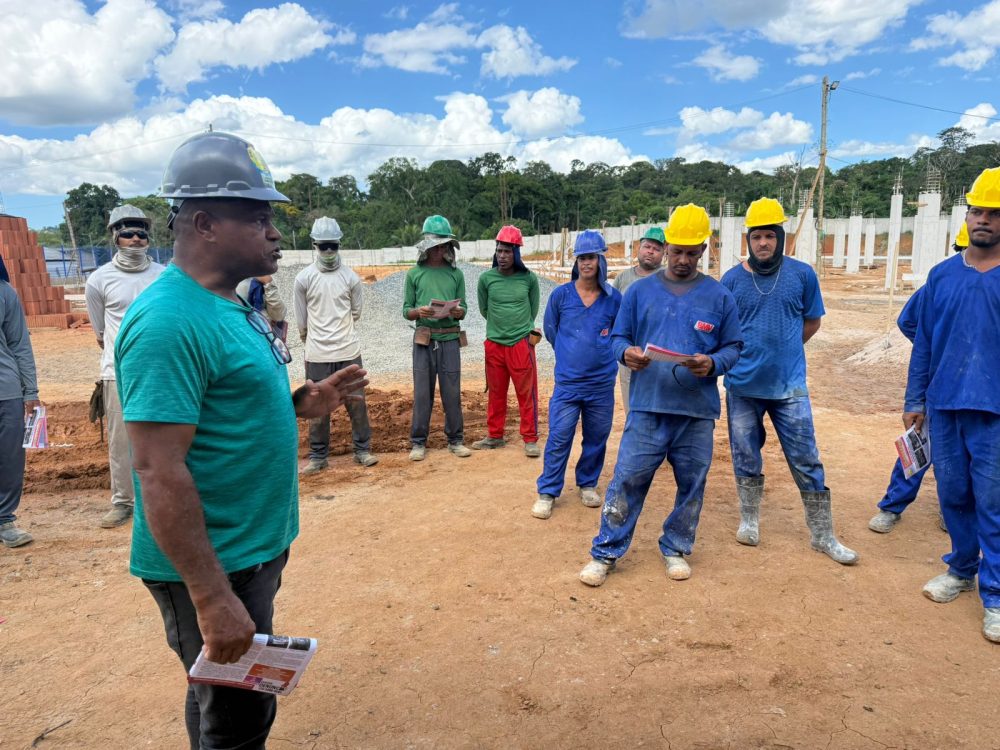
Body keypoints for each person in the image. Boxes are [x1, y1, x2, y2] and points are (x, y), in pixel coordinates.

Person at [115, 130, 370, 748]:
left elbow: (223, 410)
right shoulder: (169, 322)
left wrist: (302, 405)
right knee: (238, 719)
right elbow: (157, 469)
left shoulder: (231, 303)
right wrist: (210, 597)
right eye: (259, 219)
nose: (277, 233)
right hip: (215, 563)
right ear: (204, 223)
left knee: (219, 702)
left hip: (249, 550)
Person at [579, 204, 743, 586]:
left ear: (704, 249)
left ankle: (676, 546)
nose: (683, 260)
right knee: (628, 478)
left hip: (696, 413)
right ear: (666, 246)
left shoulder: (719, 298)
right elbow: (617, 338)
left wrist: (714, 363)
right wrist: (626, 353)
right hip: (648, 407)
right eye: (677, 251)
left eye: (691, 252)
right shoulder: (639, 293)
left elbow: (735, 347)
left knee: (692, 484)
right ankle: (606, 551)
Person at [720, 198, 857, 565]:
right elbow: (722, 332)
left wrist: (785, 352)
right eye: (756, 237)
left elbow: (812, 321)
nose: (763, 243)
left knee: (806, 457)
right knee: (745, 454)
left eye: (770, 236)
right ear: (748, 240)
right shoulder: (731, 281)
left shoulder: (802, 275)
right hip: (743, 388)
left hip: (789, 389)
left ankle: (823, 535)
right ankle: (750, 519)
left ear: (781, 237)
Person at [904, 168, 1000, 643]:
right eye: (977, 211)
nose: (983, 220)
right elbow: (923, 341)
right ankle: (961, 568)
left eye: (993, 213)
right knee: (954, 496)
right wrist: (914, 399)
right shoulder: (941, 276)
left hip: (994, 411)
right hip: (944, 406)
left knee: (994, 501)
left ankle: (996, 595)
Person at [869, 224, 969, 534]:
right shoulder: (940, 283)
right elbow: (908, 321)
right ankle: (892, 505)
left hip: (981, 389)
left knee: (966, 458)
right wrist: (936, 345)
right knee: (919, 447)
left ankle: (953, 511)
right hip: (939, 384)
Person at [85, 204, 165, 528]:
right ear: (115, 236)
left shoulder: (164, 277)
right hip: (118, 374)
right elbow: (101, 334)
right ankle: (123, 502)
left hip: (160, 373)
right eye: (127, 233)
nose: (135, 239)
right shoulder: (98, 280)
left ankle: (160, 499)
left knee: (163, 436)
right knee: (121, 443)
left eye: (141, 233)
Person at [533, 230, 622, 519]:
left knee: (596, 436)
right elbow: (551, 330)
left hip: (600, 384)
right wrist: (570, 354)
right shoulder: (561, 296)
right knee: (559, 435)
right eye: (582, 258)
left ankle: (587, 483)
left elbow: (621, 333)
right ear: (576, 261)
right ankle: (548, 491)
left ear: (600, 260)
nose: (586, 263)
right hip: (568, 384)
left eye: (592, 258)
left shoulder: (613, 299)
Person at [294, 216, 377, 472]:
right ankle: (318, 457)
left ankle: (362, 450)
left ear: (339, 245)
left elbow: (356, 312)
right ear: (314, 245)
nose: (329, 251)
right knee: (317, 408)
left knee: (357, 402)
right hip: (317, 354)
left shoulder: (350, 278)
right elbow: (301, 319)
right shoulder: (304, 279)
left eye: (333, 246)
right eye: (323, 246)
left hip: (348, 351)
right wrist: (313, 341)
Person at [403, 215, 471, 461]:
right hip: (424, 339)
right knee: (423, 392)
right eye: (435, 246)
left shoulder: (456, 275)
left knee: (452, 391)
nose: (439, 250)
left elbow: (464, 308)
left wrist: (458, 311)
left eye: (444, 246)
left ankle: (456, 440)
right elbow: (406, 310)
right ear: (426, 246)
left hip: (450, 338)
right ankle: (418, 442)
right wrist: (418, 311)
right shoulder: (414, 274)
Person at [473, 225, 541, 457]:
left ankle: (530, 438)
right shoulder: (486, 279)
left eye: (507, 252)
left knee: (527, 392)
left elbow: (532, 310)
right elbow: (484, 309)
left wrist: (519, 330)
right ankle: (495, 436)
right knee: (496, 392)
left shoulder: (529, 279)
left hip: (520, 344)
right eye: (499, 251)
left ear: (516, 254)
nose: (502, 256)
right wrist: (500, 327)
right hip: (494, 344)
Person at [1, 256, 40, 549]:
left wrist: (30, 392)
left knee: (10, 458)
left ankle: (5, 519)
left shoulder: (5, 292)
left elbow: (19, 344)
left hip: (6, 390)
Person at [613, 227, 665, 414]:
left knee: (659, 404)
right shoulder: (622, 278)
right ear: (639, 248)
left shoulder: (668, 277)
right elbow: (615, 315)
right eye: (647, 246)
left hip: (661, 353)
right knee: (631, 403)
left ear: (664, 253)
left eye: (656, 248)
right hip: (630, 352)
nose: (650, 251)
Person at [236, 274, 287, 339]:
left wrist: (268, 284)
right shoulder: (228, 284)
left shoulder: (262, 279)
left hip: (263, 337)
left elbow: (279, 316)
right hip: (245, 336)